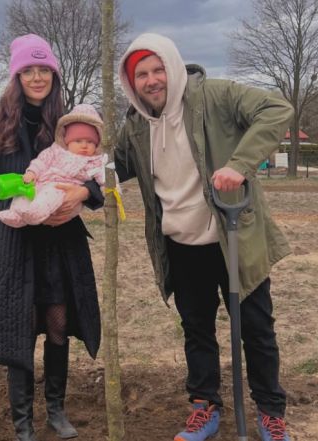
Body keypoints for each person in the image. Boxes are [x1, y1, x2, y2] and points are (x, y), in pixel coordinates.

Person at [115, 33, 293, 441]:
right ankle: (205, 406)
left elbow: (276, 109)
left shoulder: (216, 96)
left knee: (256, 329)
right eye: (141, 74)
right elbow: (113, 168)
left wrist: (240, 164)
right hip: (181, 245)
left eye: (158, 69)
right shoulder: (136, 126)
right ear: (131, 82)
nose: (151, 80)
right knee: (197, 330)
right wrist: (67, 183)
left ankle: (270, 411)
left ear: (173, 67)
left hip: (233, 237)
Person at [0, 34, 103, 441]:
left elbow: (97, 171)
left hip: (61, 244)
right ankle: (23, 420)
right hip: (14, 243)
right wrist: (18, 210)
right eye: (28, 70)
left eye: (43, 69)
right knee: (21, 329)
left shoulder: (68, 122)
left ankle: (56, 410)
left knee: (58, 324)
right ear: (16, 76)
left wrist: (82, 194)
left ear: (54, 75)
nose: (36, 77)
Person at [0, 104, 106, 228]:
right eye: (78, 141)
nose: (84, 146)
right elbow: (42, 161)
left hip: (65, 190)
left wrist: (108, 189)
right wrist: (32, 172)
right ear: (67, 141)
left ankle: (35, 214)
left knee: (51, 193)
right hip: (44, 182)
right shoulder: (56, 150)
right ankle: (16, 214)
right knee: (26, 190)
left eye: (90, 142)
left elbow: (104, 177)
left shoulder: (95, 161)